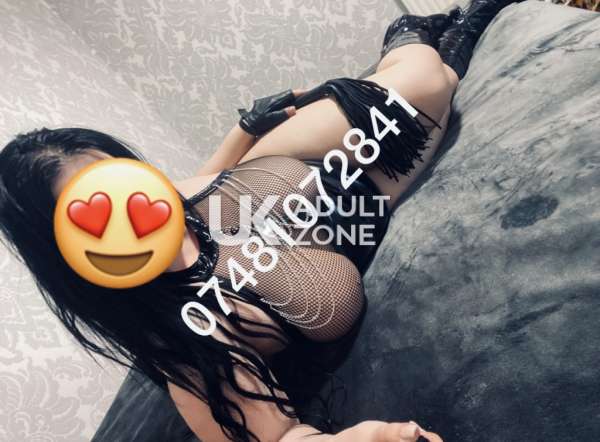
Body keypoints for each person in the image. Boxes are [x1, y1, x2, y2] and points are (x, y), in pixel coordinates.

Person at [0, 1, 522, 441]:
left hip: (289, 159)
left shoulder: (166, 199)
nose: (135, 210)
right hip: (363, 191)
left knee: (426, 80)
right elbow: (279, 437)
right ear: (67, 253)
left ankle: (406, 35)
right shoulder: (189, 345)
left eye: (127, 182)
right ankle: (437, 35)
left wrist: (245, 128)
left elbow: (198, 182)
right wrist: (374, 436)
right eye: (97, 217)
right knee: (443, 84)